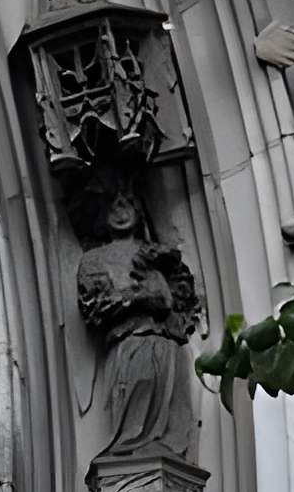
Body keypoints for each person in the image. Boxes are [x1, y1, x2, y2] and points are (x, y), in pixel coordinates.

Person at [72, 172, 202, 462]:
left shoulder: (157, 254)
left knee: (168, 402)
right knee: (134, 395)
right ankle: (130, 450)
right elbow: (96, 306)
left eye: (127, 204)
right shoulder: (94, 259)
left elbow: (172, 301)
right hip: (129, 340)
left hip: (164, 340)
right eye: (113, 207)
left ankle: (161, 451)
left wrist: (153, 298)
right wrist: (141, 298)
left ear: (139, 210)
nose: (120, 212)